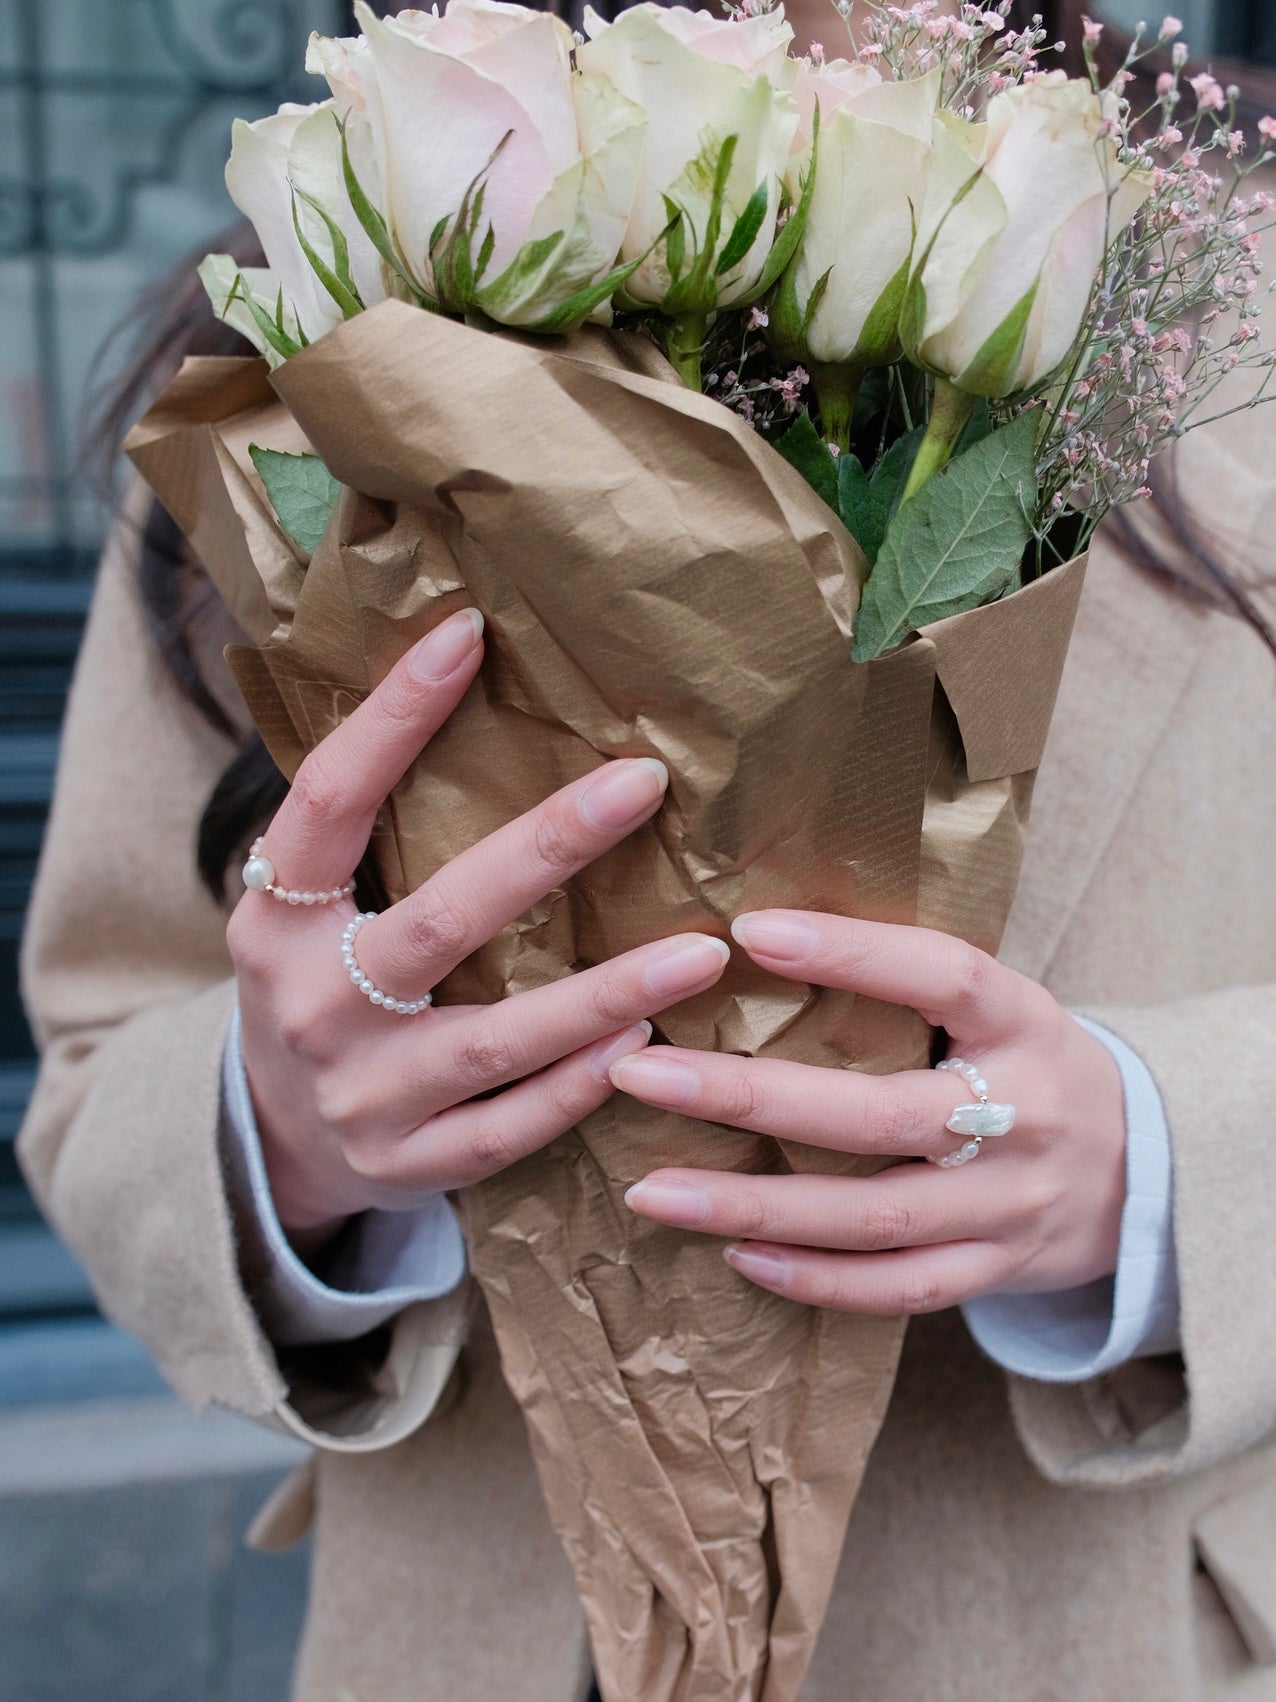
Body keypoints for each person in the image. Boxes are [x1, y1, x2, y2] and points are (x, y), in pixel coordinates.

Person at [17, 7, 1276, 1701]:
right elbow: (102, 1056)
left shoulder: (1220, 260)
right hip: (480, 1637)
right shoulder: (313, 297)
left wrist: (1168, 1161)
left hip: (1102, 1631)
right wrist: (283, 1138)